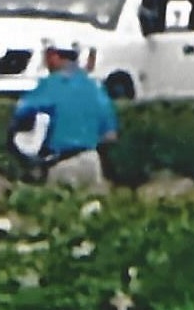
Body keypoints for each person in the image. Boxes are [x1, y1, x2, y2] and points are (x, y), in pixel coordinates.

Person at [9, 33, 118, 191]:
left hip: (62, 163)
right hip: (92, 162)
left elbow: (20, 113)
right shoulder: (94, 87)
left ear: (53, 56)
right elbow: (110, 135)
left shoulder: (49, 86)